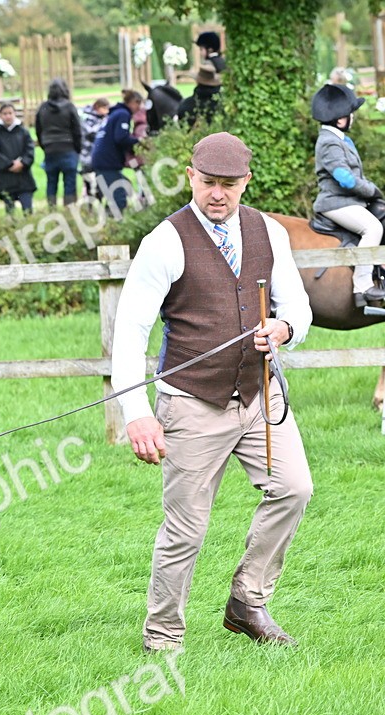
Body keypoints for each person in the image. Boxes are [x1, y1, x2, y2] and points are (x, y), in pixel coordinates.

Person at [111, 132, 314, 652]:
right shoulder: (164, 242)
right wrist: (136, 412)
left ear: (246, 182)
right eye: (207, 182)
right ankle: (163, 638)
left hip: (259, 395)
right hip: (190, 403)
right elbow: (130, 331)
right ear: (190, 177)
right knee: (186, 528)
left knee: (294, 488)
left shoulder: (269, 232)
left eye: (228, 184)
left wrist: (285, 328)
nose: (217, 193)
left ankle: (248, 600)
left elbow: (298, 307)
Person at [311, 83, 385, 307]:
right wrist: (372, 190)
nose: (353, 117)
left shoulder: (339, 139)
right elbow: (345, 179)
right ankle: (362, 285)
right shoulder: (329, 142)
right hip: (335, 203)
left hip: (349, 201)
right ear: (341, 119)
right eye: (351, 114)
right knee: (373, 228)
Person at [91, 89, 143, 218]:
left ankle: (107, 220)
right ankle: (113, 224)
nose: (139, 108)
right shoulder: (123, 114)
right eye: (139, 104)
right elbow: (121, 138)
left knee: (122, 189)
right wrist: (139, 141)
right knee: (119, 197)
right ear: (133, 102)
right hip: (107, 162)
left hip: (101, 160)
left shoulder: (116, 113)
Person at [35, 78, 83, 207]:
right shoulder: (69, 107)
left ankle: (52, 208)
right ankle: (69, 208)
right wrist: (78, 148)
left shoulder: (43, 108)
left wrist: (44, 145)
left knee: (51, 182)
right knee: (70, 182)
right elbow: (77, 130)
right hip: (68, 148)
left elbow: (38, 130)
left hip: (50, 149)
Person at [0, 103, 37, 216]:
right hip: (6, 179)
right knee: (10, 214)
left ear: (14, 114)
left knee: (28, 212)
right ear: (0, 115)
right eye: (5, 114)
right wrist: (9, 164)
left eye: (10, 113)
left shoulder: (23, 132)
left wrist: (22, 163)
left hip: (24, 179)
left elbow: (30, 150)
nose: (8, 116)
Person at [179, 32, 224, 126]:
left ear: (210, 49)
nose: (200, 53)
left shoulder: (210, 63)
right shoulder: (221, 61)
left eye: (201, 49)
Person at [79, 97, 110, 201]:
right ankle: (89, 202)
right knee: (88, 180)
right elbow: (90, 133)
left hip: (99, 155)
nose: (106, 111)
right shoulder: (87, 117)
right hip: (86, 153)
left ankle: (99, 199)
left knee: (100, 180)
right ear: (97, 107)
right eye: (104, 108)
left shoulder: (103, 118)